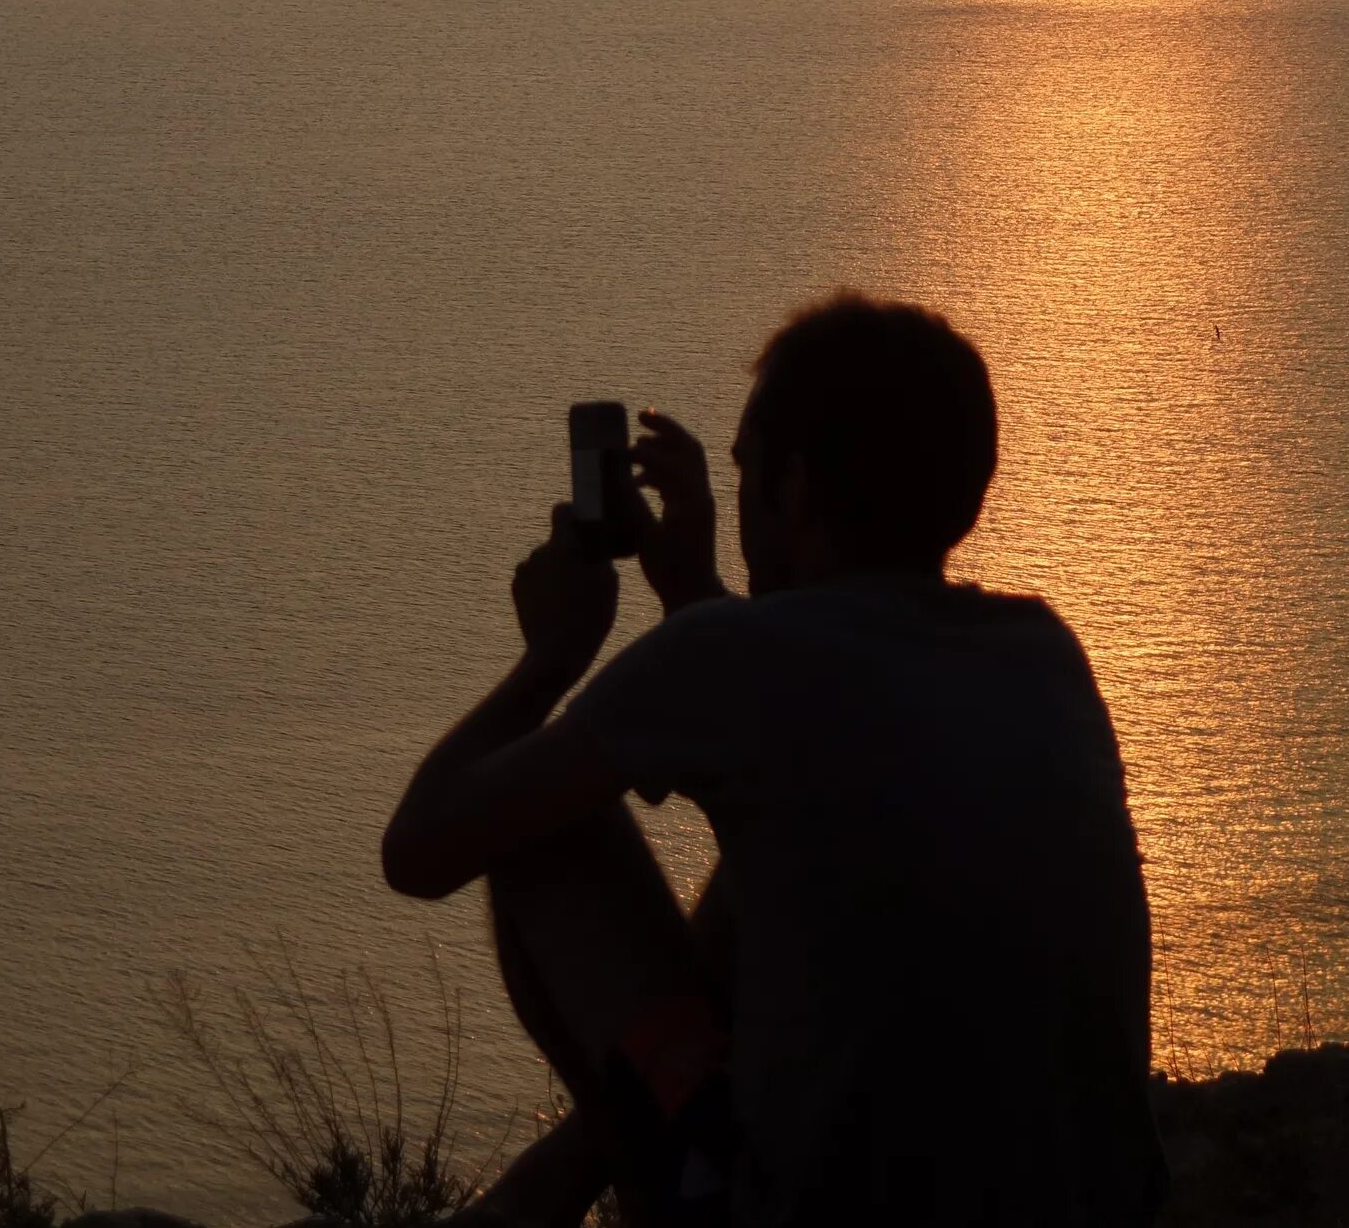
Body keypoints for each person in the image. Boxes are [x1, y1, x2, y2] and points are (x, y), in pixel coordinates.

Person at [382, 294, 1169, 1227]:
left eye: (749, 470)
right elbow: (817, 757)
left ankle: (607, 1193)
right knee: (799, 862)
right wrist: (695, 597)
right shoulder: (1045, 653)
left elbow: (422, 850)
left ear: (792, 490)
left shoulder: (732, 660)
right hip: (1085, 1207)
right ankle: (551, 1182)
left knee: (548, 826)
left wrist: (551, 658)